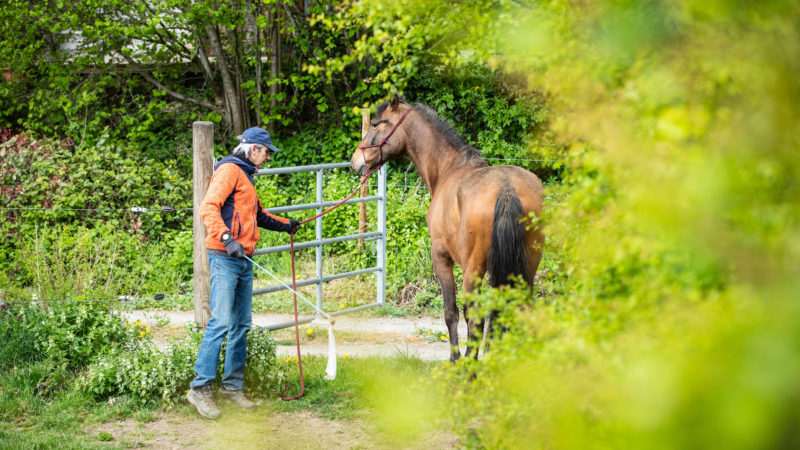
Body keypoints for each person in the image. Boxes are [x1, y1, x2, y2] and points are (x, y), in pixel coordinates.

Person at [187, 126, 299, 419]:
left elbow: (258, 215)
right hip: (225, 256)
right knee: (221, 323)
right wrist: (226, 238)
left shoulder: (246, 176)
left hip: (243, 258)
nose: (267, 158)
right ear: (252, 149)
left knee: (241, 325)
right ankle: (199, 389)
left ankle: (232, 387)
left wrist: (286, 224)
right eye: (265, 152)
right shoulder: (229, 171)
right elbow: (208, 208)